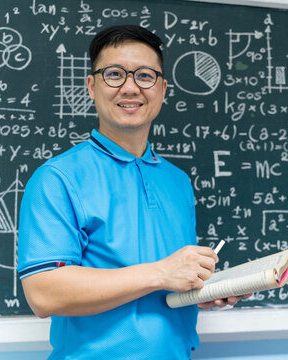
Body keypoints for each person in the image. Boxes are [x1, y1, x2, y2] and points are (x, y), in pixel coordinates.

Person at [17, 25, 248, 359]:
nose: (130, 88)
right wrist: (161, 273)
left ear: (163, 88)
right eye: (114, 74)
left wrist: (203, 291)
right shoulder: (57, 178)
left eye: (145, 76)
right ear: (91, 86)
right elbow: (43, 294)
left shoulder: (177, 182)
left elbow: (164, 286)